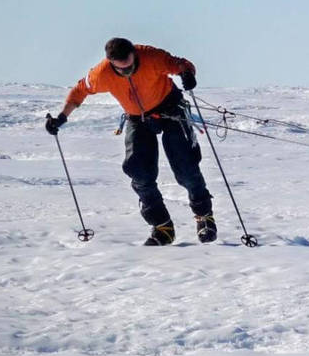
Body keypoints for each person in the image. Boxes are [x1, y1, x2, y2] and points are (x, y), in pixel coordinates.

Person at [45, 37, 216, 246]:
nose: (127, 72)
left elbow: (181, 65)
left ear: (134, 55)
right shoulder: (101, 74)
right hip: (138, 118)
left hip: (171, 110)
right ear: (111, 63)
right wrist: (61, 117)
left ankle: (204, 217)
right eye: (122, 70)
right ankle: (162, 227)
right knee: (139, 173)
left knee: (185, 167)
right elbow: (79, 91)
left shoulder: (151, 56)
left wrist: (187, 74)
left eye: (130, 67)